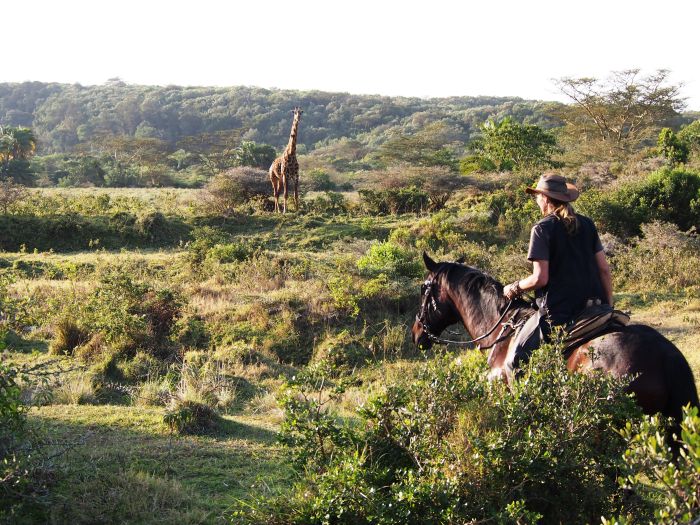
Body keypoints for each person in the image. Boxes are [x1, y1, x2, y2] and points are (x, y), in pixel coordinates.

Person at [502, 173, 613, 379]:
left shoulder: (542, 229)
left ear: (545, 198)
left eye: (537, 196)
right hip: (594, 306)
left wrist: (514, 288)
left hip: (558, 313)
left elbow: (540, 279)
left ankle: (528, 410)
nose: (536, 200)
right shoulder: (587, 224)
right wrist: (608, 304)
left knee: (514, 361)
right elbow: (604, 270)